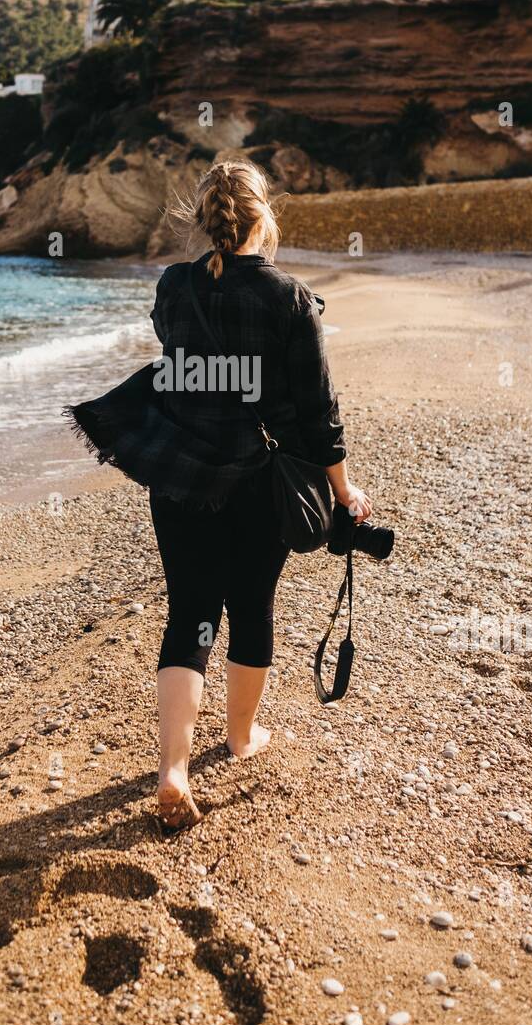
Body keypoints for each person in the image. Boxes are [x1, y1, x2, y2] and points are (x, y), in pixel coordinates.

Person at [146, 159, 371, 829]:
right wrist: (341, 487)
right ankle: (241, 739)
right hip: (258, 481)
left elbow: (176, 359)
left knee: (188, 613)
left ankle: (172, 770)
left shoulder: (172, 287)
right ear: (262, 217)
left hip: (182, 475)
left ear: (203, 219)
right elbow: (318, 411)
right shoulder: (291, 299)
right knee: (250, 606)